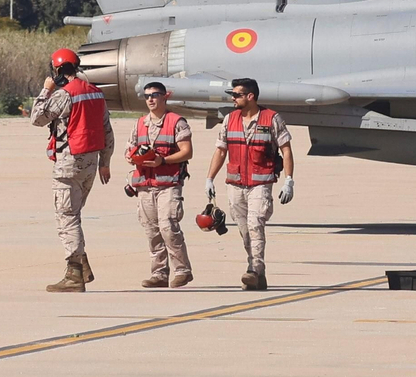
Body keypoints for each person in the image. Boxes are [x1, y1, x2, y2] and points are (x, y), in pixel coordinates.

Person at [30, 47, 113, 293]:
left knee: (67, 218)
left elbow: (37, 118)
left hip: (68, 164)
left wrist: (46, 89)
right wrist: (105, 163)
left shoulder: (64, 95)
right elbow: (107, 131)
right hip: (90, 163)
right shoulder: (96, 94)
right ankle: (82, 266)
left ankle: (74, 272)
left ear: (56, 70)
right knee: (74, 215)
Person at [204, 78, 295, 290]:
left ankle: (253, 270)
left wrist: (289, 180)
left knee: (255, 225)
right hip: (235, 184)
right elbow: (220, 150)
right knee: (245, 231)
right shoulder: (229, 120)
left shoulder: (272, 119)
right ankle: (258, 273)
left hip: (260, 184)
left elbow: (286, 150)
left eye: (237, 95)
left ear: (250, 96)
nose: (233, 98)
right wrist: (209, 178)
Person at [126, 81, 194, 288]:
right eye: (147, 96)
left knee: (168, 227)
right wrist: (131, 158)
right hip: (145, 185)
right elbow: (130, 149)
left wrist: (162, 161)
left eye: (155, 95)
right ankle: (159, 274)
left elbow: (187, 152)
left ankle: (182, 270)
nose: (150, 99)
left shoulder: (176, 122)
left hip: (168, 184)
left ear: (165, 97)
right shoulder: (140, 124)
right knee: (151, 230)